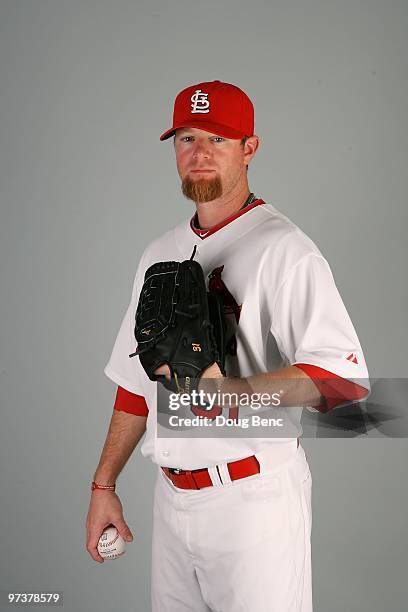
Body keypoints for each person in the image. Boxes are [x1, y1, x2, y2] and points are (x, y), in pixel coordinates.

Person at [86, 80, 370, 611]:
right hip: (170, 503)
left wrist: (234, 392)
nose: (199, 153)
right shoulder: (159, 253)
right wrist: (103, 486)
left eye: (217, 138)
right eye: (187, 138)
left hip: (253, 501)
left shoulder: (285, 249)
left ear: (249, 148)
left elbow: (345, 379)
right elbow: (134, 387)